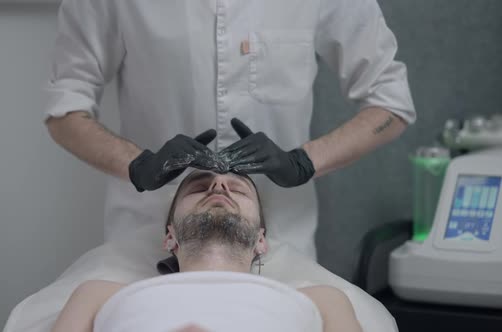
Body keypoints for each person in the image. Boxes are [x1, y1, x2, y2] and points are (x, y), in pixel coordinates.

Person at [44, 0, 416, 268]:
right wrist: (138, 165)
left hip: (280, 243)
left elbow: (391, 102)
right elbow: (64, 109)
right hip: (145, 236)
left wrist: (303, 162)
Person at [50, 170, 363, 332]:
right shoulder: (97, 294)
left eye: (237, 189)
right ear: (169, 237)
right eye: (199, 188)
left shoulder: (323, 299)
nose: (219, 187)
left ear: (261, 242)